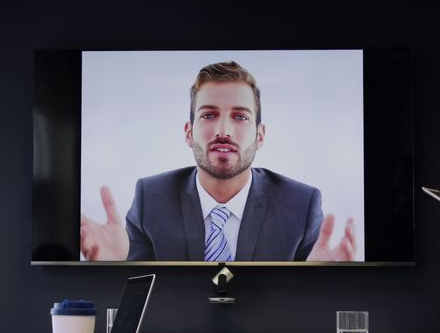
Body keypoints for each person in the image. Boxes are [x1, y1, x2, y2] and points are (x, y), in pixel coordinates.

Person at [80, 60, 358, 262]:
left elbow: (304, 309)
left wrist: (322, 283)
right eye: (209, 115)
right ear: (188, 132)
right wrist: (112, 268)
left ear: (260, 135)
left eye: (240, 116)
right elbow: (136, 301)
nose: (223, 130)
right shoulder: (150, 199)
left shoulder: (300, 205)